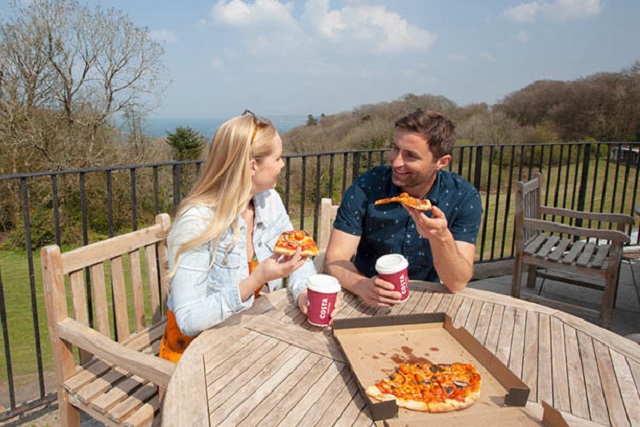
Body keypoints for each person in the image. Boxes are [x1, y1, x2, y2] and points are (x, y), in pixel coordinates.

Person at [159, 110, 317, 363]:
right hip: (195, 353)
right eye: (278, 158)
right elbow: (189, 319)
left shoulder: (269, 201)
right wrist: (256, 280)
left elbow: (300, 254)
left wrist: (303, 292)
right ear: (253, 166)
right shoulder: (197, 221)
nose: (282, 164)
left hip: (249, 335)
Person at [323, 110, 482, 307]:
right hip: (365, 298)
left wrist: (441, 237)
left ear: (441, 162)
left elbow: (457, 282)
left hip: (427, 299)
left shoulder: (463, 197)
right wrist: (362, 285)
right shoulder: (366, 186)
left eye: (410, 156)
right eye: (395, 148)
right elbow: (334, 259)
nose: (396, 162)